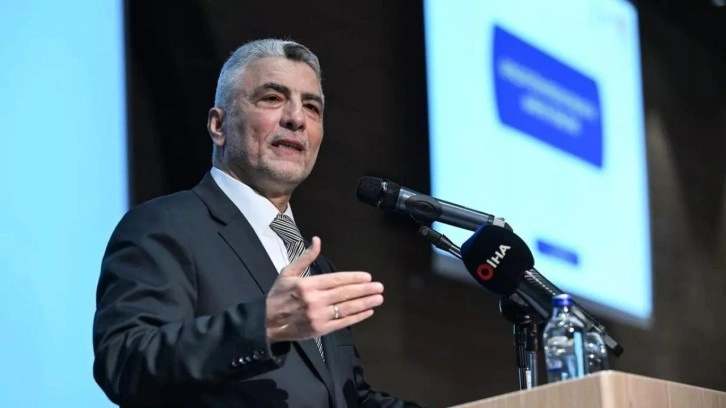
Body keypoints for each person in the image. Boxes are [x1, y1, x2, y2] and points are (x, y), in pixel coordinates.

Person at [93, 38, 421, 408]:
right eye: (272, 98)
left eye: (311, 106)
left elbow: (348, 398)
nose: (296, 118)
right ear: (218, 125)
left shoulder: (315, 265)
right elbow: (125, 360)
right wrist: (262, 325)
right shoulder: (165, 225)